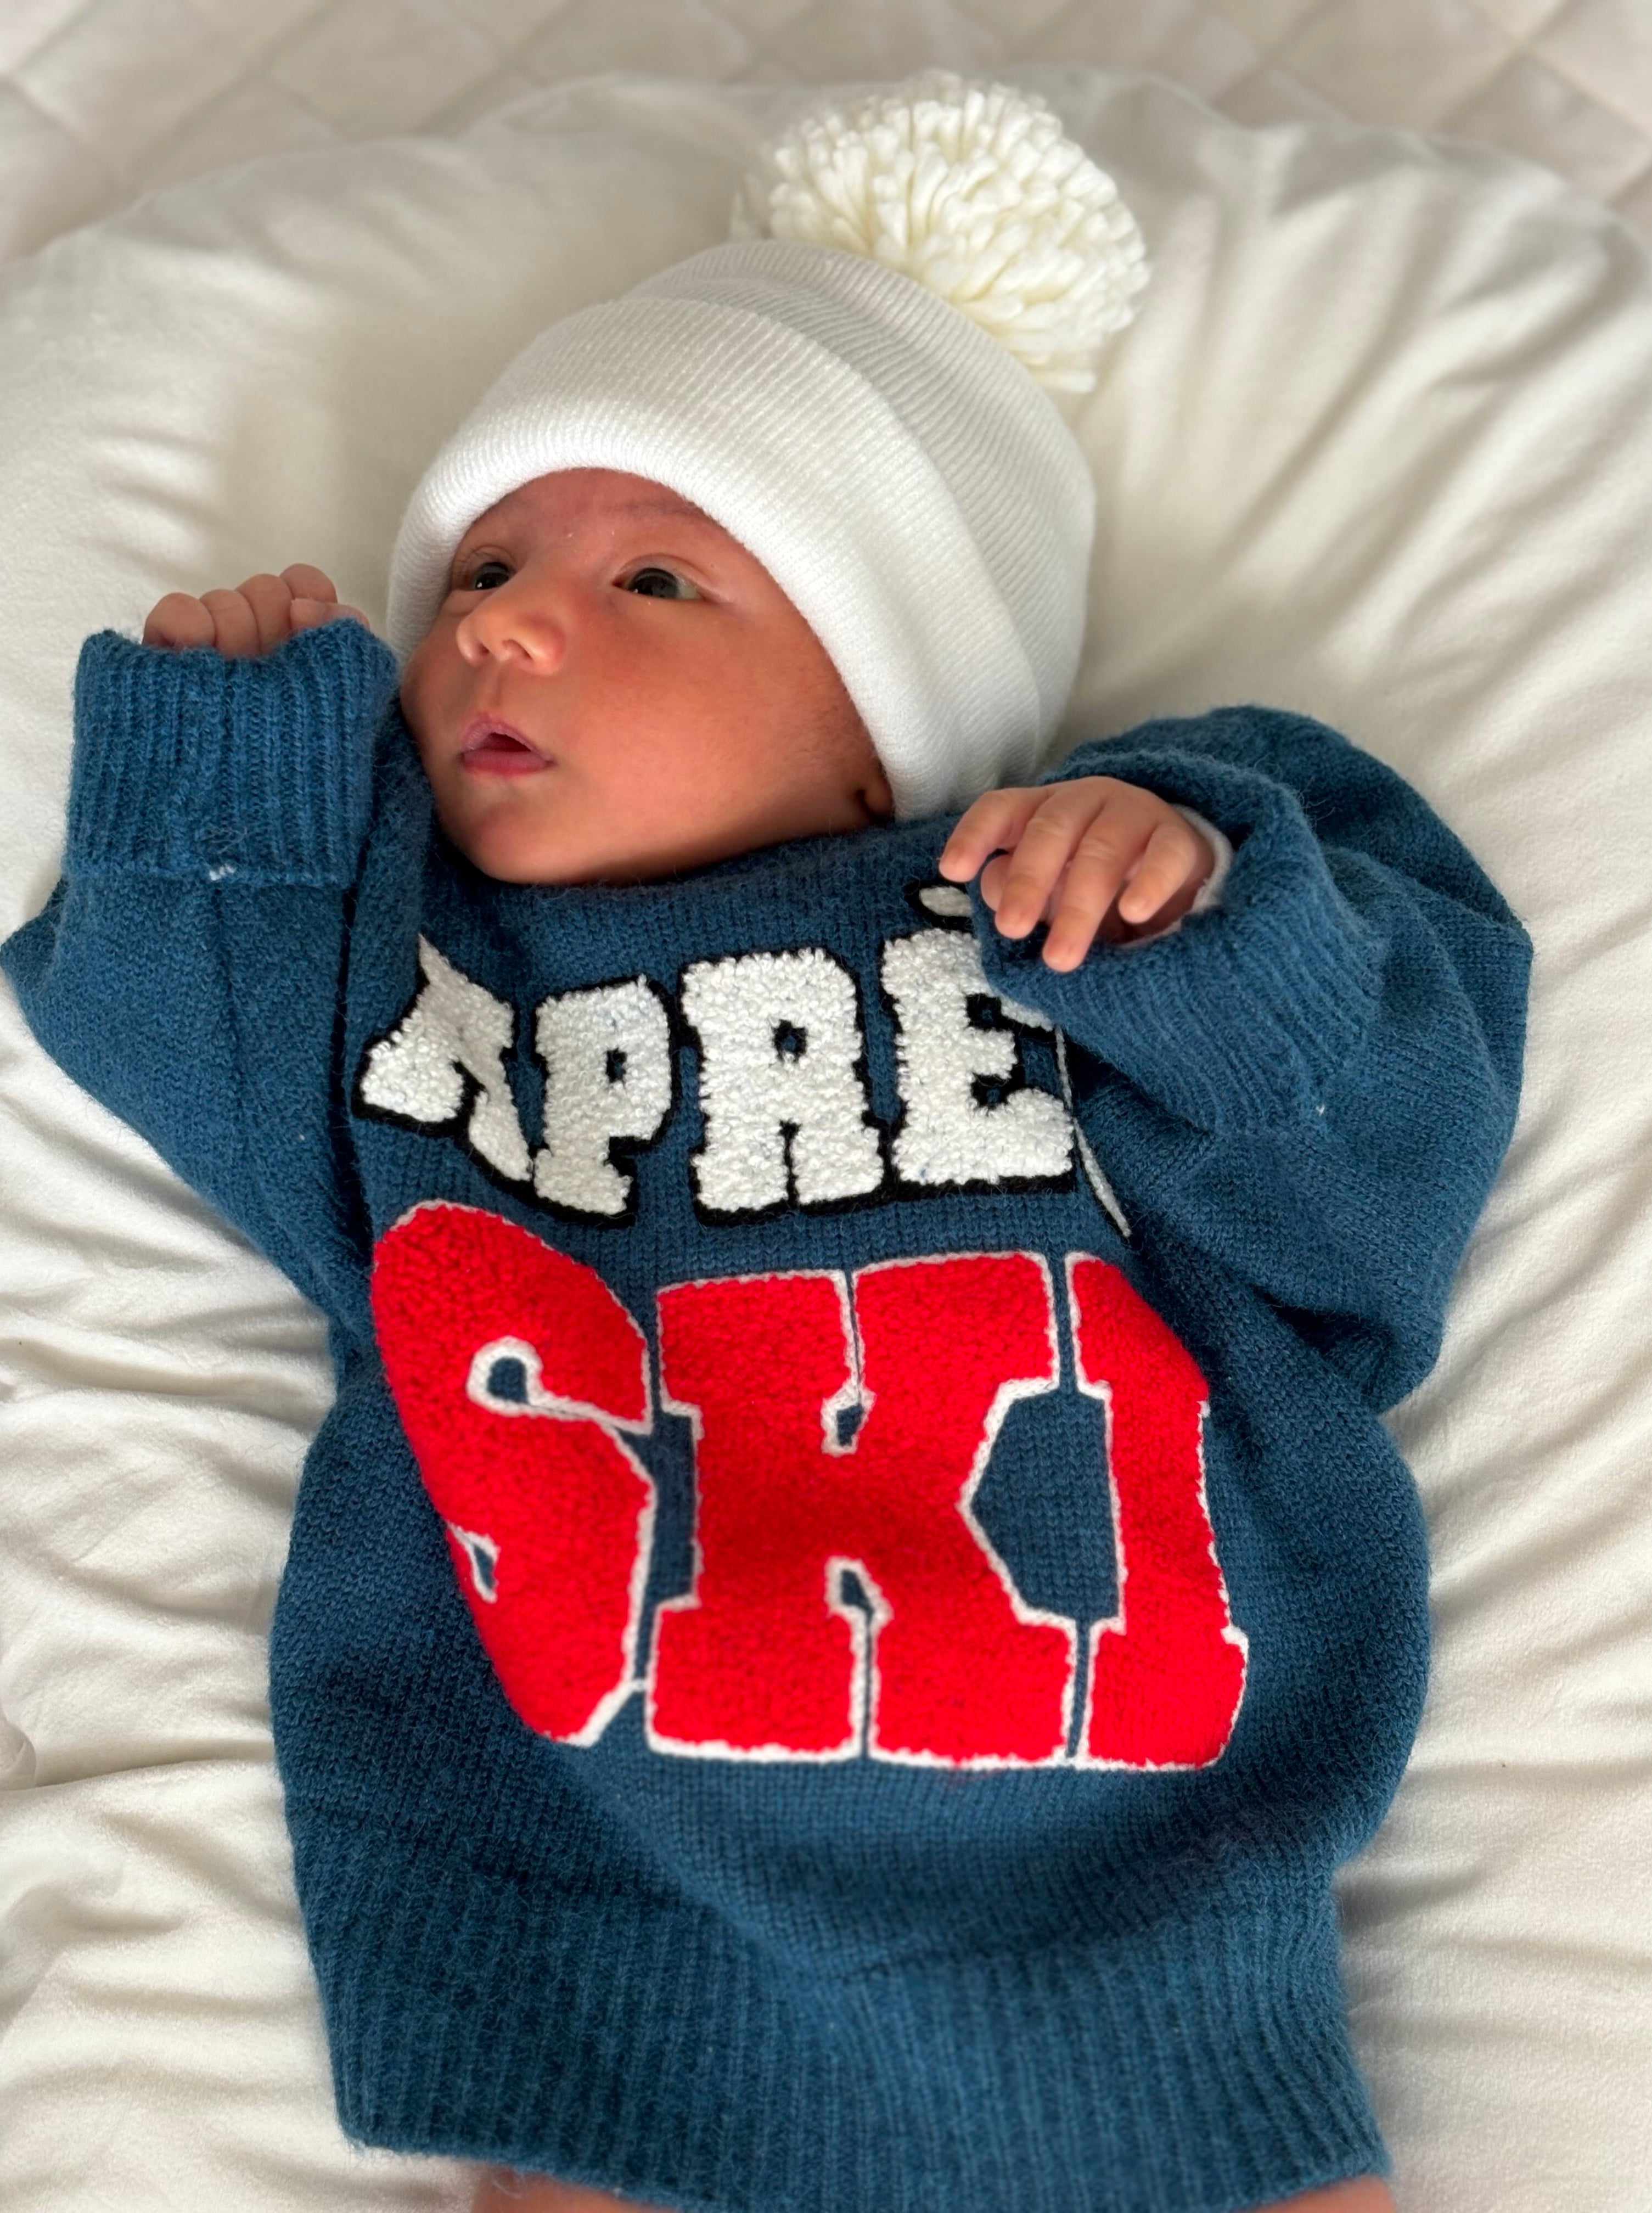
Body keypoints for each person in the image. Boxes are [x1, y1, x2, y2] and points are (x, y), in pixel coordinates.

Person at [0, 74, 1529, 2213]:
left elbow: (1373, 1187)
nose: (498, 623)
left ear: (881, 721)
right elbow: (179, 1039)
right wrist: (223, 774)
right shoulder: (419, 986)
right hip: (593, 1903)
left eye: (654, 576)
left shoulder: (1048, 908)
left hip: (1139, 1887)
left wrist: (1194, 915)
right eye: (485, 568)